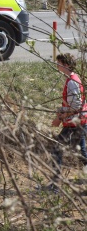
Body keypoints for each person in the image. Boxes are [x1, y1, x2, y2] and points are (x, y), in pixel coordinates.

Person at [50, 53, 87, 188]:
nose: (57, 65)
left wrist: (59, 118)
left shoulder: (72, 82)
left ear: (66, 65)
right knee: (82, 153)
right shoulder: (74, 78)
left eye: (59, 63)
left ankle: (54, 185)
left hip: (74, 123)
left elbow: (76, 106)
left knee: (56, 149)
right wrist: (61, 110)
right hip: (80, 121)